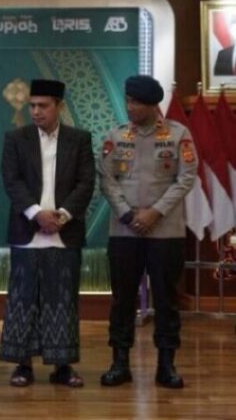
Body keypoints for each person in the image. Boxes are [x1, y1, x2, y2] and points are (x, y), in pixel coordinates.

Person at [98, 75, 197, 389]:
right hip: (124, 231)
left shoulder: (178, 135)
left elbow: (186, 178)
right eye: (128, 101)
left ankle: (166, 364)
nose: (130, 107)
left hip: (165, 232)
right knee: (122, 299)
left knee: (166, 299)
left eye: (137, 103)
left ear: (153, 105)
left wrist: (155, 212)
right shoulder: (116, 135)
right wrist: (127, 214)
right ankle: (119, 362)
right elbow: (106, 179)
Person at [0, 79, 95, 388]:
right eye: (32, 106)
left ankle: (62, 366)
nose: (36, 111)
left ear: (59, 106)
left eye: (43, 106)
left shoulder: (79, 139)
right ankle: (23, 365)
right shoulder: (16, 138)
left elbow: (86, 182)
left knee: (62, 300)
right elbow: (11, 180)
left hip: (64, 232)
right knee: (23, 298)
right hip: (28, 230)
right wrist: (36, 213)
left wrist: (61, 216)